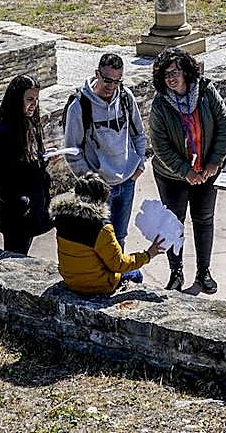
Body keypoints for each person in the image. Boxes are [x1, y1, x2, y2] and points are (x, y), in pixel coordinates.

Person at [148, 47, 226, 294]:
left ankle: (203, 272)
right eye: (165, 75)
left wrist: (214, 162)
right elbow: (160, 145)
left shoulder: (206, 91)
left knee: (203, 220)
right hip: (172, 175)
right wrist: (185, 171)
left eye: (174, 72)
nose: (171, 78)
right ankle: (176, 272)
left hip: (206, 170)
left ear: (185, 70)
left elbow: (223, 126)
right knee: (174, 223)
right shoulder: (161, 104)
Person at [62, 52, 148, 281]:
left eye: (117, 81)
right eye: (108, 80)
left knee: (120, 237)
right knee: (99, 240)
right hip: (100, 189)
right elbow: (72, 150)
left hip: (127, 181)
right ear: (97, 74)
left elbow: (139, 134)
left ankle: (115, 280)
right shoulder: (80, 106)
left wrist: (140, 164)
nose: (112, 86)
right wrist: (92, 182)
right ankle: (102, 283)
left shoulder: (126, 98)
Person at [52, 174, 165, 295]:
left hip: (70, 280)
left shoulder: (61, 217)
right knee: (136, 274)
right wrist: (148, 255)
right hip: (98, 285)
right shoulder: (102, 228)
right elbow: (118, 264)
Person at [0, 74, 51, 256]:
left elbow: (27, 162)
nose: (34, 105)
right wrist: (19, 203)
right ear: (18, 99)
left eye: (36, 100)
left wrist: (43, 158)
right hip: (16, 213)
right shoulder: (4, 132)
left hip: (30, 207)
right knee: (14, 255)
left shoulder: (28, 123)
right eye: (29, 99)